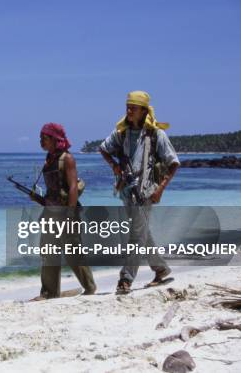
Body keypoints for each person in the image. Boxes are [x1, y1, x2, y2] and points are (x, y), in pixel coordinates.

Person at [99, 91, 180, 294]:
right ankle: (161, 269)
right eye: (127, 106)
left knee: (136, 235)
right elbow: (103, 148)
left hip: (146, 193)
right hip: (127, 192)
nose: (129, 110)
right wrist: (114, 166)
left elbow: (173, 163)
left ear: (144, 110)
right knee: (142, 233)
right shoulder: (121, 133)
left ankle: (126, 279)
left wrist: (161, 189)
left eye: (133, 107)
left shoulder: (156, 135)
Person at [31, 123, 96, 300]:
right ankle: (49, 293)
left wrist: (70, 214)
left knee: (73, 253)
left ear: (54, 139)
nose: (40, 141)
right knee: (48, 253)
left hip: (67, 213)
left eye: (43, 137)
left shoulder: (67, 159)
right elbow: (53, 192)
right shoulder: (49, 159)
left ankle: (90, 287)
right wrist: (38, 199)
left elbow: (73, 187)